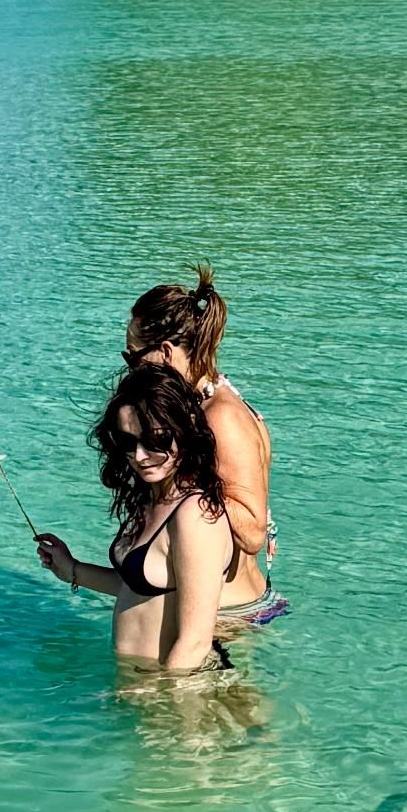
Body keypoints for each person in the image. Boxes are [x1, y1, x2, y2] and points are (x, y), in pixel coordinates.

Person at [34, 367, 237, 676]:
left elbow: (195, 642)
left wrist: (160, 696)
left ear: (184, 429)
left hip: (180, 684)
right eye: (127, 441)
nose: (140, 456)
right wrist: (72, 569)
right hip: (144, 681)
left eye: (155, 440)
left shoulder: (195, 515)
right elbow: (140, 590)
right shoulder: (153, 498)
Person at [122, 264, 283, 626]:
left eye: (132, 356)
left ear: (165, 352)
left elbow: (253, 533)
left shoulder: (221, 417)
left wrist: (183, 471)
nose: (130, 368)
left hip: (231, 616)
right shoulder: (200, 406)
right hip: (221, 610)